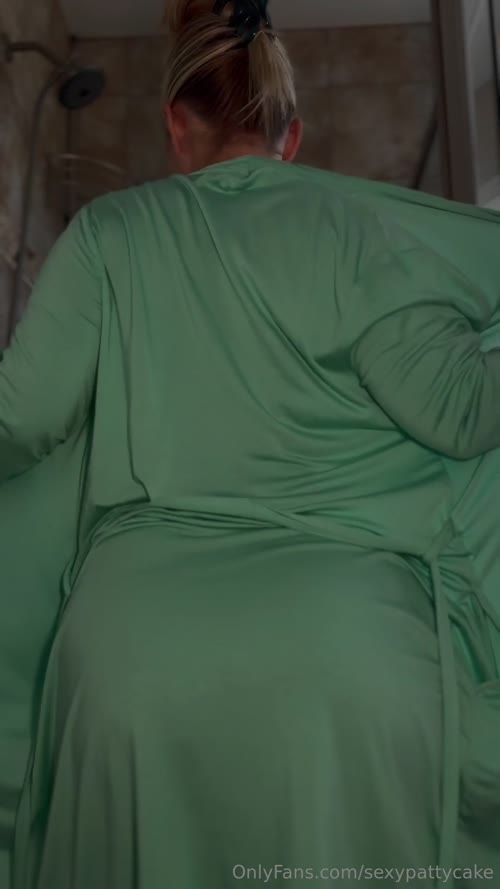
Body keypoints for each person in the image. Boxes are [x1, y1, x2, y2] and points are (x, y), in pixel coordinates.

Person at [1, 1, 499, 887]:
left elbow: (19, 420)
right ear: (291, 137)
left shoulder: (112, 232)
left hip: (136, 656)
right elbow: (459, 409)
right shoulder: (356, 229)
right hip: (347, 651)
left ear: (174, 127)